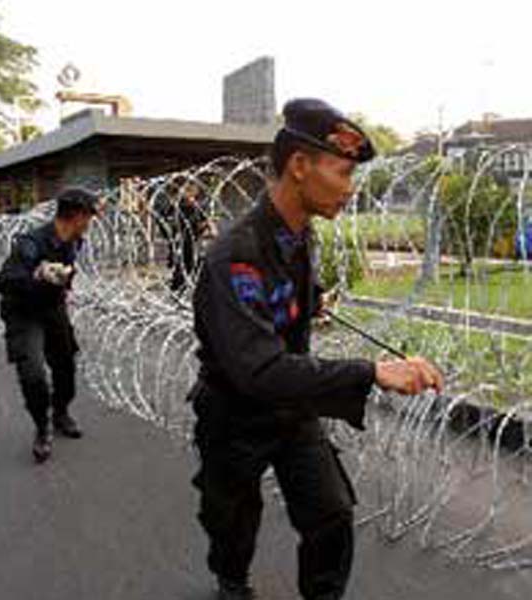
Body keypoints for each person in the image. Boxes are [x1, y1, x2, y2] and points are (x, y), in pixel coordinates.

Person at [188, 98, 444, 600]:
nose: (350, 189)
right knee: (233, 522)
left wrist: (313, 302)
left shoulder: (301, 235)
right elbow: (259, 370)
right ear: (300, 167)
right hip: (237, 413)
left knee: (330, 515)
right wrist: (372, 372)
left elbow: (285, 296)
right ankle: (231, 582)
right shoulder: (234, 256)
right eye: (343, 172)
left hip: (292, 408)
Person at [0, 188, 100, 463]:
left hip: (52, 309)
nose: (90, 222)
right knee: (33, 375)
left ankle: (61, 412)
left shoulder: (75, 241)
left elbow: (66, 275)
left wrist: (63, 281)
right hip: (23, 313)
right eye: (88, 216)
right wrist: (40, 277)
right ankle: (42, 427)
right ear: (76, 216)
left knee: (65, 365)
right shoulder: (31, 243)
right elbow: (4, 281)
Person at [169, 183, 209, 292]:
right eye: (190, 194)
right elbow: (172, 222)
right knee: (183, 264)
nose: (192, 197)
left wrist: (206, 227)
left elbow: (205, 222)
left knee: (191, 264)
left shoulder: (196, 208)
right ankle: (178, 287)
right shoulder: (179, 208)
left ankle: (186, 286)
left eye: (194, 195)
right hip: (183, 239)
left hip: (193, 239)